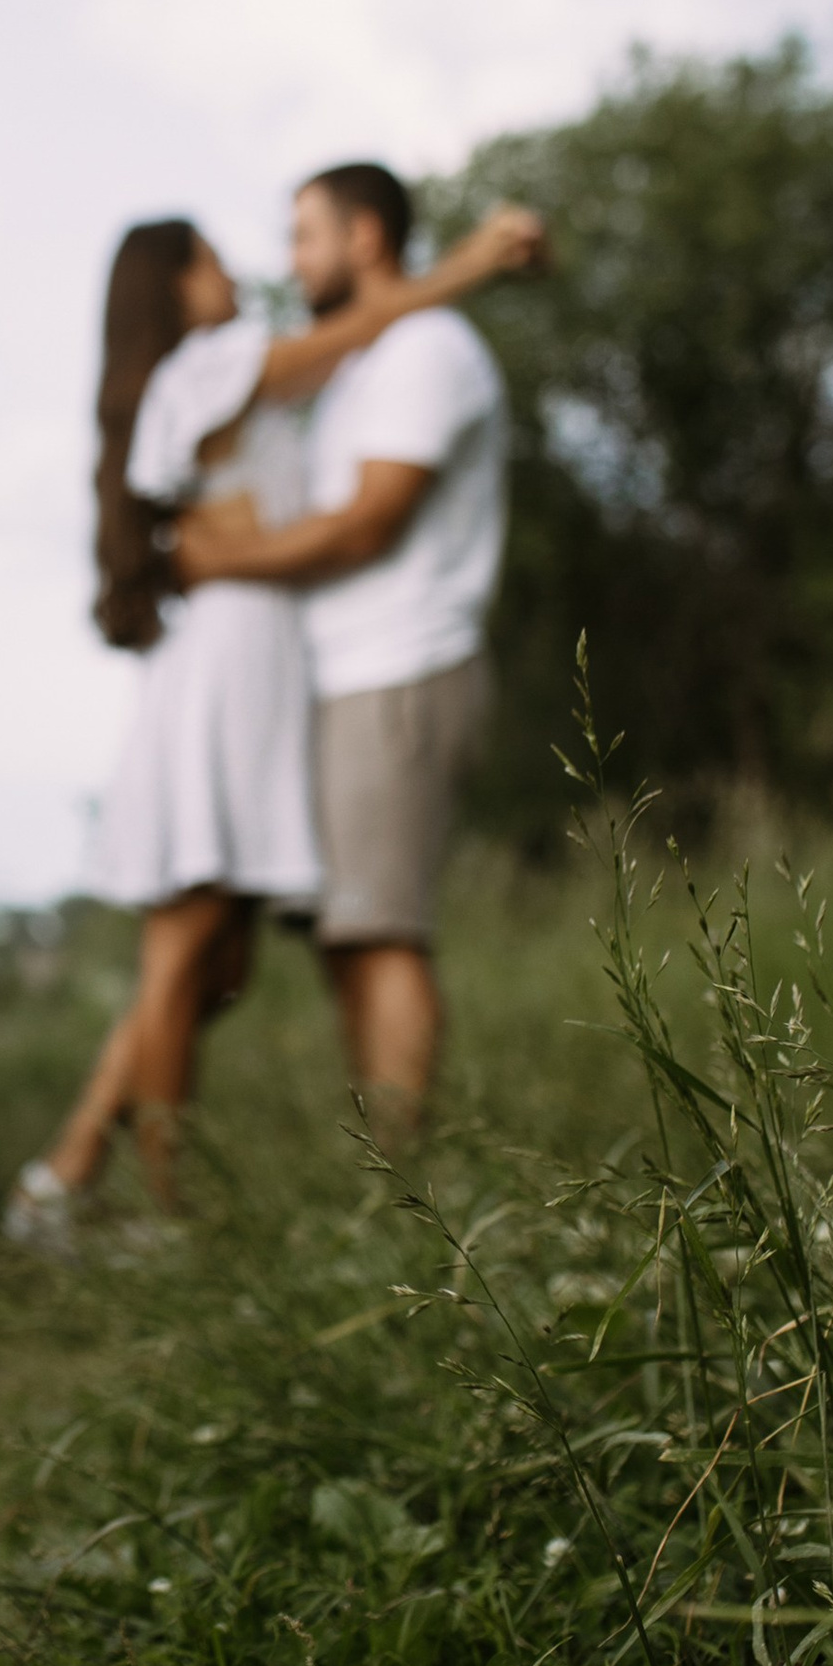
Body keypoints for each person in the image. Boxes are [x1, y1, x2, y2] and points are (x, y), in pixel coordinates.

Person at [6, 195, 540, 1238]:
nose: (237, 273)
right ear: (171, 287)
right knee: (186, 949)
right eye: (210, 262)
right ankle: (158, 1212)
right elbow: (346, 337)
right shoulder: (211, 364)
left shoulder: (217, 382)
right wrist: (474, 261)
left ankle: (67, 1177)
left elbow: (341, 379)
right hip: (234, 660)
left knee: (216, 957)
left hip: (249, 660)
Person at [173, 160, 534, 1124]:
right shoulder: (364, 360)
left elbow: (368, 521)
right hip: (350, 681)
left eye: (306, 234)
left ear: (365, 235)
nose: (292, 260)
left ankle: (404, 1183)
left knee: (382, 933)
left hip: (403, 669)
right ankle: (387, 1161)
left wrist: (222, 562)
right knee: (349, 936)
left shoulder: (428, 350)